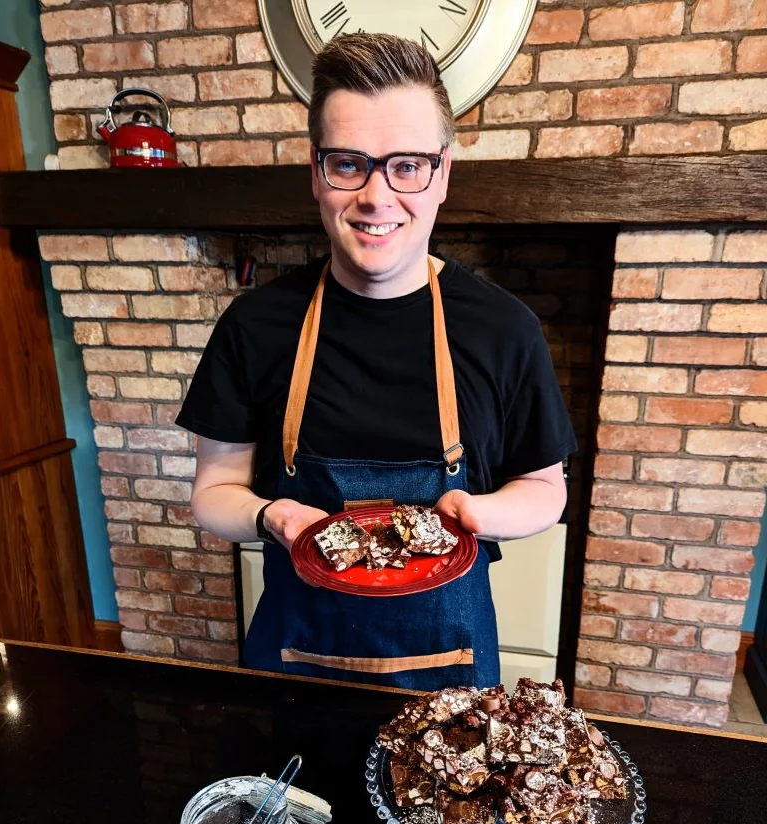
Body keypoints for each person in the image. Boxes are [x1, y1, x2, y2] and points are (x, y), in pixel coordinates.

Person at [176, 32, 577, 691]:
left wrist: (476, 514)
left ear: (442, 173)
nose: (377, 195)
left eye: (407, 165)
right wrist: (267, 515)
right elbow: (213, 491)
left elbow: (545, 490)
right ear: (316, 171)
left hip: (450, 684)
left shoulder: (504, 329)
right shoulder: (256, 325)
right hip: (298, 671)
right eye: (349, 164)